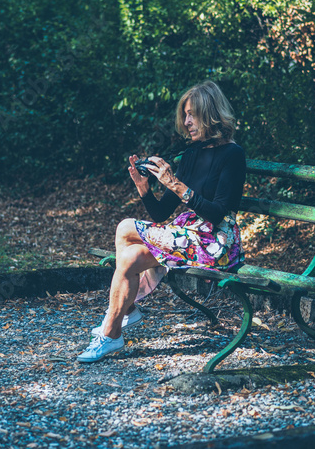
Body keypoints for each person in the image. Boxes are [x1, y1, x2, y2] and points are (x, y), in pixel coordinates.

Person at [77, 80, 246, 363]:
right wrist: (144, 187)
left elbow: (217, 213)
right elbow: (160, 214)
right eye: (185, 115)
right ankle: (114, 331)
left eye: (192, 114)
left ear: (210, 114)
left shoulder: (233, 154)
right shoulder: (192, 153)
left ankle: (118, 318)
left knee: (125, 227)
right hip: (187, 233)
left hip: (216, 241)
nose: (187, 121)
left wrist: (178, 186)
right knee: (129, 258)